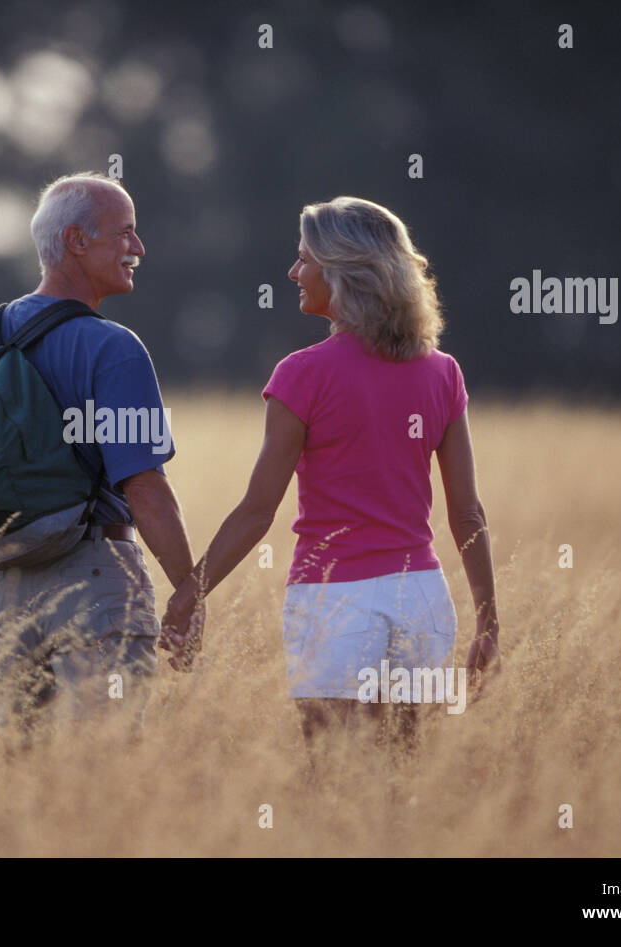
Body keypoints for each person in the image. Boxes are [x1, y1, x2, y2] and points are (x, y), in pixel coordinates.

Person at [159, 195, 500, 771]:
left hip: (335, 599)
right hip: (422, 598)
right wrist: (489, 624)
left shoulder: (302, 373)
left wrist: (188, 593)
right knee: (401, 774)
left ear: (343, 272)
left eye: (303, 259)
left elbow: (256, 511)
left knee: (334, 777)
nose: (293, 272)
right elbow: (467, 515)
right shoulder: (443, 372)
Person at [0, 172, 202, 751]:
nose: (138, 248)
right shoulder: (115, 347)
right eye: (125, 233)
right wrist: (188, 592)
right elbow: (144, 486)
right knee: (104, 769)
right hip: (96, 581)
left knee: (28, 777)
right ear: (76, 241)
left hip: (1, 591)